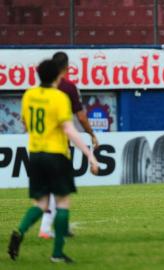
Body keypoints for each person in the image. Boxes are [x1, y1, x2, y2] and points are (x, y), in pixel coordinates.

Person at [7, 59, 99, 263]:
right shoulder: (59, 98)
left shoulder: (29, 94)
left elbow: (25, 122)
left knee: (40, 203)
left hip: (36, 154)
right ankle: (57, 254)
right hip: (56, 154)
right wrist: (89, 155)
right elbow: (69, 129)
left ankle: (20, 231)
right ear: (58, 75)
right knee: (63, 203)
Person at [38, 51, 99, 240]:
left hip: (38, 144)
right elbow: (80, 117)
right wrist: (91, 135)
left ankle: (54, 227)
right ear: (67, 67)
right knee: (60, 190)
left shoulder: (37, 90)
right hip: (59, 145)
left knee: (49, 189)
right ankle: (46, 230)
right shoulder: (69, 88)